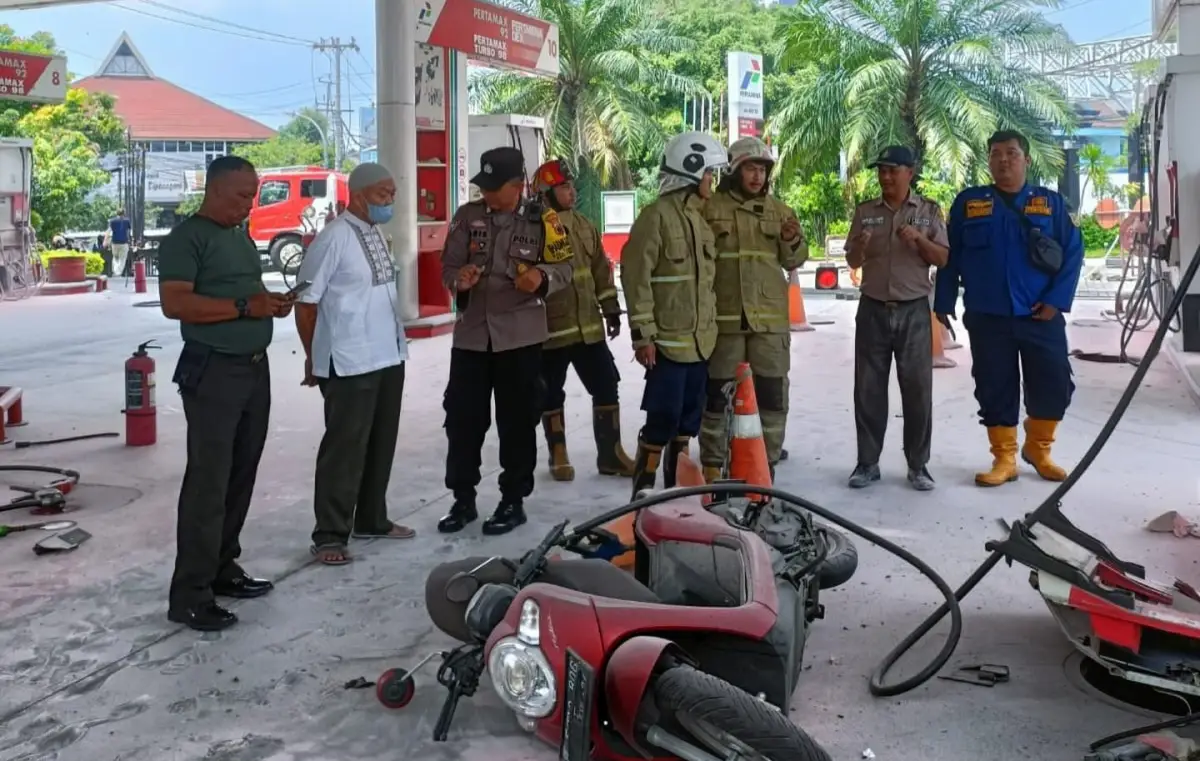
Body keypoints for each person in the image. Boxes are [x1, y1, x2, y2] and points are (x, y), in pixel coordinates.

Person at [157, 155, 295, 632]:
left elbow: (245, 295)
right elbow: (175, 304)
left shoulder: (238, 234)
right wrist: (244, 306)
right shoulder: (186, 239)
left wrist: (267, 306)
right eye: (240, 195)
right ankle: (190, 594)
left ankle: (222, 568)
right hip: (213, 371)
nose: (249, 203)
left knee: (241, 474)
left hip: (253, 370)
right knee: (208, 483)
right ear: (213, 191)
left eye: (253, 194)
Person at [437, 147, 575, 536]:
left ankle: (512, 501)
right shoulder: (467, 216)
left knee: (517, 422)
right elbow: (447, 265)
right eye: (484, 186)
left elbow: (565, 266)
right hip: (471, 338)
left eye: (496, 187)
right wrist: (457, 280)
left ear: (518, 186)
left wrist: (542, 279)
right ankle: (462, 499)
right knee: (463, 421)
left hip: (520, 338)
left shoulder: (543, 220)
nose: (488, 194)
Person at [935, 130, 1084, 487]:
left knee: (1054, 381)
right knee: (994, 385)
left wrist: (1054, 301)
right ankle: (1004, 459)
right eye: (996, 153)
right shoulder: (969, 203)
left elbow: (1073, 252)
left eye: (1012, 153)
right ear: (988, 160)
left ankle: (1039, 449)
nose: (1004, 160)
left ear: (1026, 160)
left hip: (1040, 314)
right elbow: (949, 255)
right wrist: (942, 303)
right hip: (988, 315)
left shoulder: (1050, 203)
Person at [294, 163, 416, 567]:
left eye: (392, 193)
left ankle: (372, 519)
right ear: (360, 195)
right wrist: (313, 356)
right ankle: (329, 533)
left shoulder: (374, 233)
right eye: (384, 194)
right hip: (349, 361)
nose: (391, 201)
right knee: (345, 449)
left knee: (381, 443)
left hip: (387, 355)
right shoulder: (333, 239)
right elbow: (306, 303)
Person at [621, 131, 726, 497]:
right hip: (666, 345)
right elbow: (636, 278)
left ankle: (677, 494)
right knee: (661, 420)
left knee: (687, 423)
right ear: (692, 172)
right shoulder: (655, 218)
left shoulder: (699, 220)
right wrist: (642, 335)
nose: (712, 181)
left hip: (700, 345)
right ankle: (643, 492)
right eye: (709, 174)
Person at [698, 136, 806, 483]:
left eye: (762, 169)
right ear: (734, 169)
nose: (757, 176)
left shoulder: (780, 211)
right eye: (750, 168)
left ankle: (766, 464)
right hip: (724, 324)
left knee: (774, 395)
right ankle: (713, 464)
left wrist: (792, 239)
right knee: (716, 397)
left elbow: (795, 259)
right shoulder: (709, 209)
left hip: (769, 324)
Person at [845, 146, 950, 492]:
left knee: (918, 390)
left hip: (914, 311)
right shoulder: (866, 212)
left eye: (893, 170)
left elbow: (943, 259)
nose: (886, 177)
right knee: (868, 390)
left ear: (911, 172)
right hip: (873, 308)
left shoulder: (929, 211)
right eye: (882, 171)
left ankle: (918, 466)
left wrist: (919, 239)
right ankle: (867, 463)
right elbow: (854, 260)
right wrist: (859, 246)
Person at [532, 158, 633, 481]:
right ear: (546, 193)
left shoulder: (584, 225)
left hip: (589, 330)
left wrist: (611, 309)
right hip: (551, 332)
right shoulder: (532, 229)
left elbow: (601, 273)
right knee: (550, 393)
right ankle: (557, 454)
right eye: (563, 187)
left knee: (607, 385)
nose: (571, 192)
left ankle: (611, 455)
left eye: (571, 186)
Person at [110, 208, 132, 277]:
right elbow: (128, 232)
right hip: (123, 242)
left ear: (117, 213)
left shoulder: (112, 221)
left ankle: (114, 271)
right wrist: (129, 240)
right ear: (124, 213)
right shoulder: (127, 221)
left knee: (115, 257)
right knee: (122, 258)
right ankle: (118, 273)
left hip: (114, 242)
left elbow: (111, 231)